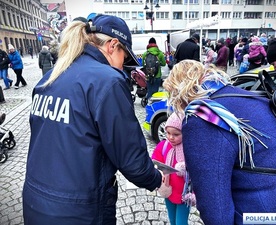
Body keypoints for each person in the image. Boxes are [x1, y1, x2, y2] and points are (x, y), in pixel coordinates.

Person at [22, 14, 163, 225]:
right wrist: (158, 180)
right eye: (125, 58)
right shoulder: (107, 81)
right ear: (113, 45)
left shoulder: (50, 76)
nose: (123, 66)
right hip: (80, 210)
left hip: (36, 201)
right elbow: (131, 159)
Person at [162, 59, 276, 225]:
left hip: (261, 214)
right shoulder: (244, 95)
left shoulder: (203, 115)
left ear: (178, 93)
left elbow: (216, 211)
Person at [152, 112, 191, 225]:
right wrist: (158, 169)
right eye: (168, 133)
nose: (170, 137)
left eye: (176, 134)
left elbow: (197, 168)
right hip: (168, 190)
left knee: (181, 222)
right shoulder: (164, 145)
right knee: (172, 219)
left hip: (183, 194)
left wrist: (185, 168)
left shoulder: (188, 149)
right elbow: (155, 158)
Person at [142, 37, 166, 101]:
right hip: (157, 75)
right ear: (155, 44)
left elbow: (143, 64)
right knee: (155, 91)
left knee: (149, 90)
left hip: (148, 75)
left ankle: (148, 102)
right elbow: (164, 64)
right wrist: (158, 63)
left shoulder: (145, 53)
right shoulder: (160, 53)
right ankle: (154, 104)